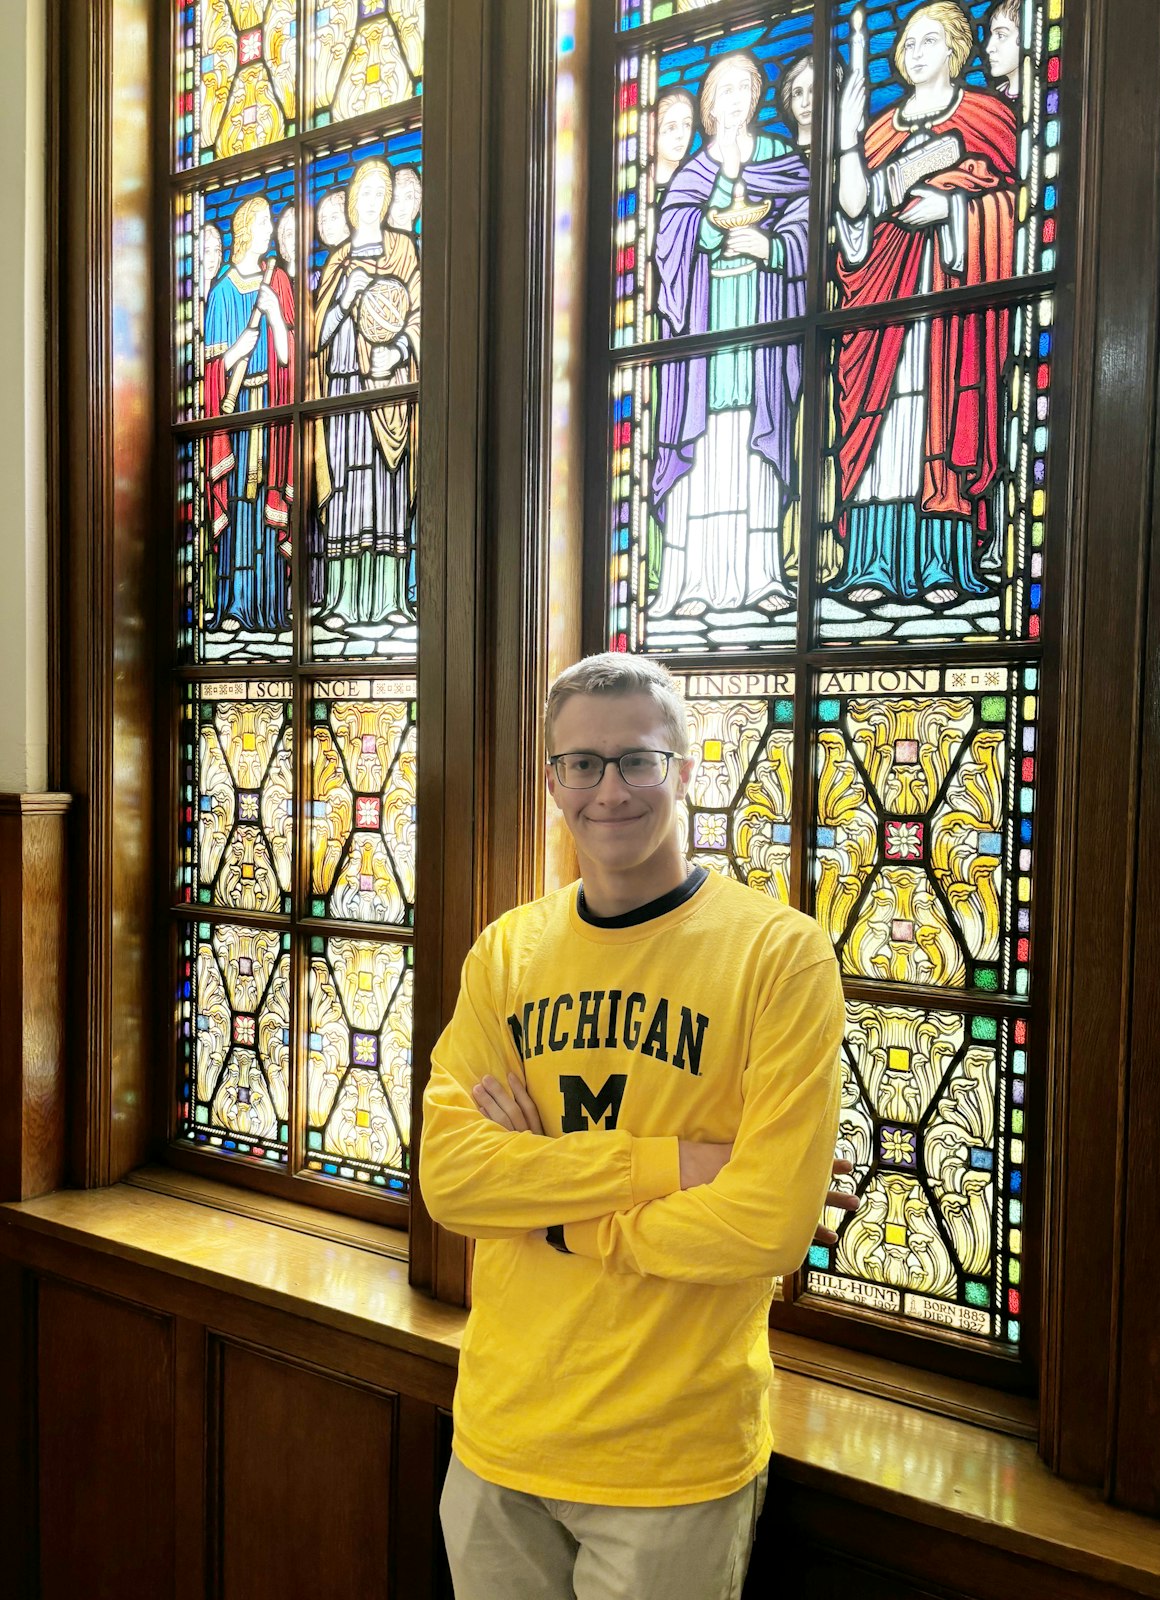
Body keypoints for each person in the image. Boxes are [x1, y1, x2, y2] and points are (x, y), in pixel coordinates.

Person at [422, 653, 852, 1600]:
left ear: (688, 771)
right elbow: (452, 1182)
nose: (608, 790)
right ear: (551, 780)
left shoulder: (780, 956)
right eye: (581, 764)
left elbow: (768, 1227)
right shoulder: (509, 951)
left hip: (672, 1461)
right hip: (498, 1436)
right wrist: (676, 1165)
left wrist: (545, 1201)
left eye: (638, 762)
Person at [830, 1, 1017, 607]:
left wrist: (955, 210)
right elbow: (853, 225)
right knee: (885, 429)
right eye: (908, 43)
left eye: (929, 40)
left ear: (959, 49)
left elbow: (1020, 210)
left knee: (939, 413)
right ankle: (873, 562)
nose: (914, 52)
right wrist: (844, 137)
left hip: (949, 305)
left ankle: (944, 563)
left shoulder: (989, 116)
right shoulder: (881, 129)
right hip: (882, 306)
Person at [651, 54, 809, 624]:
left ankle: (762, 573)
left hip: (763, 325)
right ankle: (693, 581)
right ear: (709, 106)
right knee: (708, 448)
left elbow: (807, 224)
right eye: (725, 90)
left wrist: (771, 248)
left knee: (754, 444)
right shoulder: (693, 174)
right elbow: (670, 239)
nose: (737, 98)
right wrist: (715, 242)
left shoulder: (780, 160)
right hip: (705, 335)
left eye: (747, 87)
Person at [312, 157, 421, 627]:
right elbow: (315, 338)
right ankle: (340, 600)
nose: (374, 203)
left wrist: (397, 350)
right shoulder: (337, 260)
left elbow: (420, 316)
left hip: (386, 392)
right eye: (366, 195)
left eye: (382, 194)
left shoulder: (403, 250)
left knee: (386, 489)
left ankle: (390, 599)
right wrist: (343, 297)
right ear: (354, 202)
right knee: (346, 490)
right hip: (340, 393)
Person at [202, 195, 294, 633]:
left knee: (265, 503)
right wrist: (241, 343)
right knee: (241, 503)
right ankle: (236, 605)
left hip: (271, 411)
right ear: (245, 231)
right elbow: (216, 363)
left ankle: (270, 606)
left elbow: (286, 357)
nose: (270, 232)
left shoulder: (276, 284)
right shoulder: (220, 292)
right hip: (237, 413)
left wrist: (275, 317)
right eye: (263, 224)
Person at [985, 0, 1022, 101]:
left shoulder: (1042, 97)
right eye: (993, 35)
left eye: (1001, 35)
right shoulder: (996, 97)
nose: (989, 49)